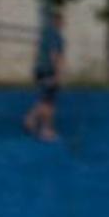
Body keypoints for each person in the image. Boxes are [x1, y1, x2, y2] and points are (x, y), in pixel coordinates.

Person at [22, 8, 63, 142]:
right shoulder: (56, 36)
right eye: (61, 21)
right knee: (48, 102)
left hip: (39, 70)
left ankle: (32, 120)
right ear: (57, 22)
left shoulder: (44, 35)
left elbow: (36, 52)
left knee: (46, 100)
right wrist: (57, 74)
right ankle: (44, 129)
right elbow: (54, 55)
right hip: (48, 71)